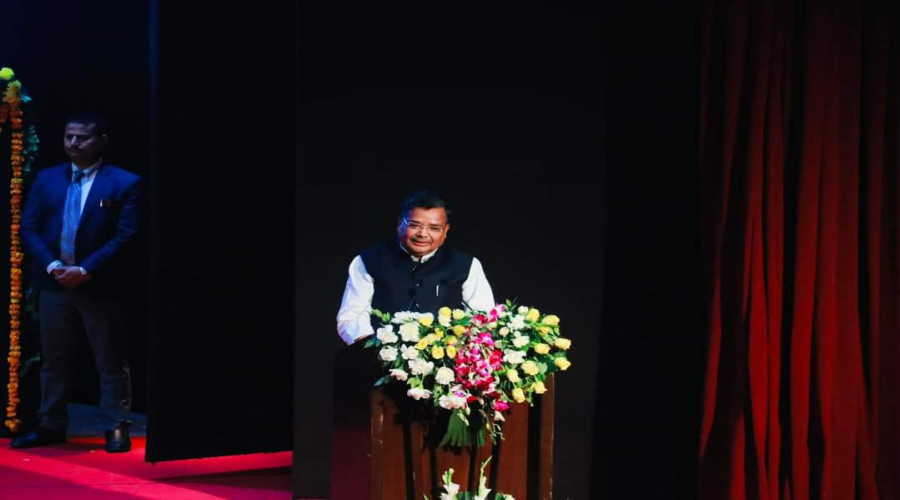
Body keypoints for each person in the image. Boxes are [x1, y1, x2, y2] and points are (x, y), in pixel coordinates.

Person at [12, 112, 141, 453]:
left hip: (100, 285)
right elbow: (29, 228)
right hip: (54, 283)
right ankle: (50, 424)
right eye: (69, 136)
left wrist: (85, 270)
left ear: (101, 141)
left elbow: (126, 235)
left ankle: (116, 426)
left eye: (82, 137)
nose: (73, 143)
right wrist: (54, 266)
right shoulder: (47, 179)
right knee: (54, 360)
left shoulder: (124, 182)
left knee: (110, 361)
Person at [336, 190, 495, 345]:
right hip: (378, 358)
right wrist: (374, 350)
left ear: (445, 230)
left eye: (434, 228)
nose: (423, 234)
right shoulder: (368, 261)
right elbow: (351, 318)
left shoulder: (466, 265)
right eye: (414, 225)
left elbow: (483, 317)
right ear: (400, 223)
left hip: (448, 359)